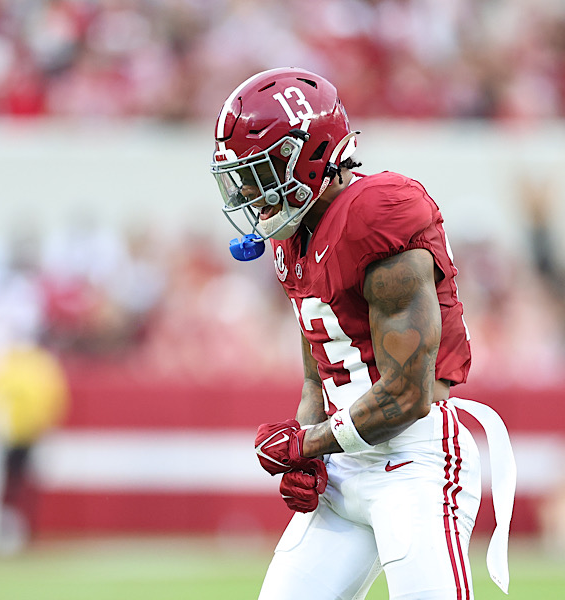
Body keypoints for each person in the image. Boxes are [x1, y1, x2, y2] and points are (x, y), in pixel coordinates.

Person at [208, 68, 516, 600]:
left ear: (304, 157)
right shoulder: (294, 240)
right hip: (348, 463)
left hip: (414, 463)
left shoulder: (378, 214)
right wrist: (306, 455)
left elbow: (407, 395)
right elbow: (317, 379)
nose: (253, 195)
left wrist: (307, 442)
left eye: (260, 174)